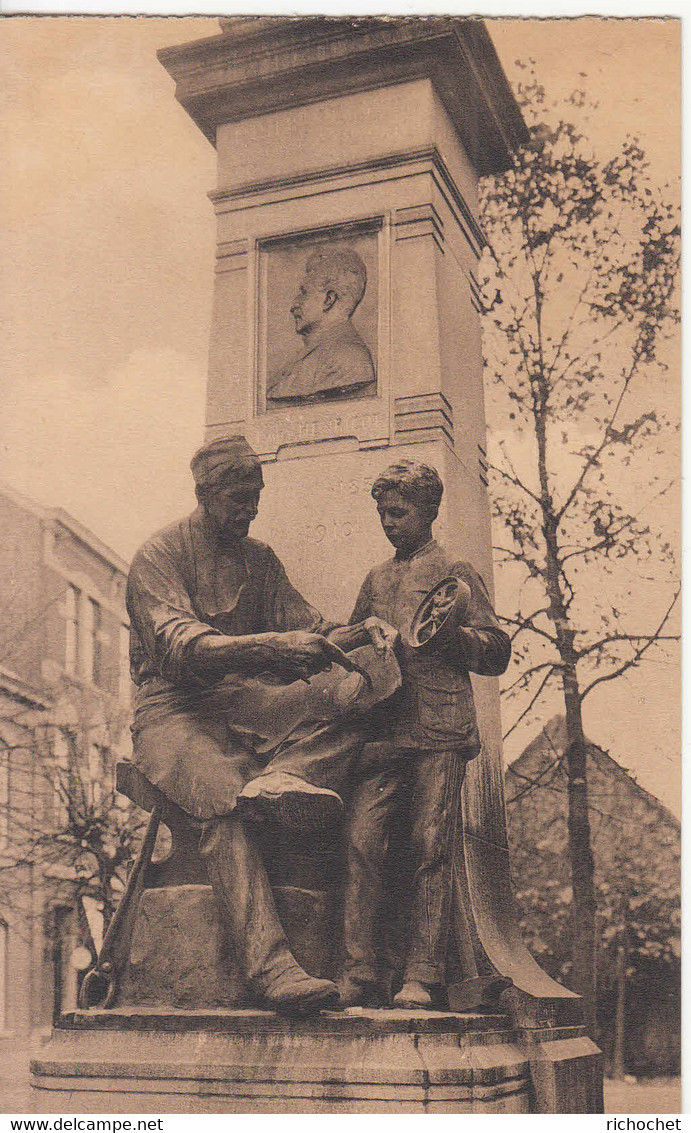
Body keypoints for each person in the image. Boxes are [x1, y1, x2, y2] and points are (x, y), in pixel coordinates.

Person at [126, 435, 398, 1015]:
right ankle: (272, 970)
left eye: (256, 498)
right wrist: (270, 647)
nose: (251, 510)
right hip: (171, 709)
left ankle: (286, 778)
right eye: (240, 499)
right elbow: (182, 646)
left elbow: (312, 627)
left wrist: (357, 633)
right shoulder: (159, 556)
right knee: (225, 796)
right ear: (206, 494)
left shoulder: (261, 559)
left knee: (350, 705)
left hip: (241, 703)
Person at [338, 460, 512, 1010]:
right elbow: (350, 645)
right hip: (385, 726)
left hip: (439, 725)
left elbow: (496, 650)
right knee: (363, 840)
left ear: (429, 511)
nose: (389, 523)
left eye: (399, 512)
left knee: (429, 845)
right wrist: (364, 639)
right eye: (382, 513)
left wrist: (448, 639)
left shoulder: (454, 572)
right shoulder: (376, 579)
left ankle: (424, 972)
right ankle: (360, 969)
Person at [267, 246, 376, 406]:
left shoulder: (349, 359)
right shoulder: (317, 354)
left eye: (304, 293)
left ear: (328, 300)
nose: (293, 305)